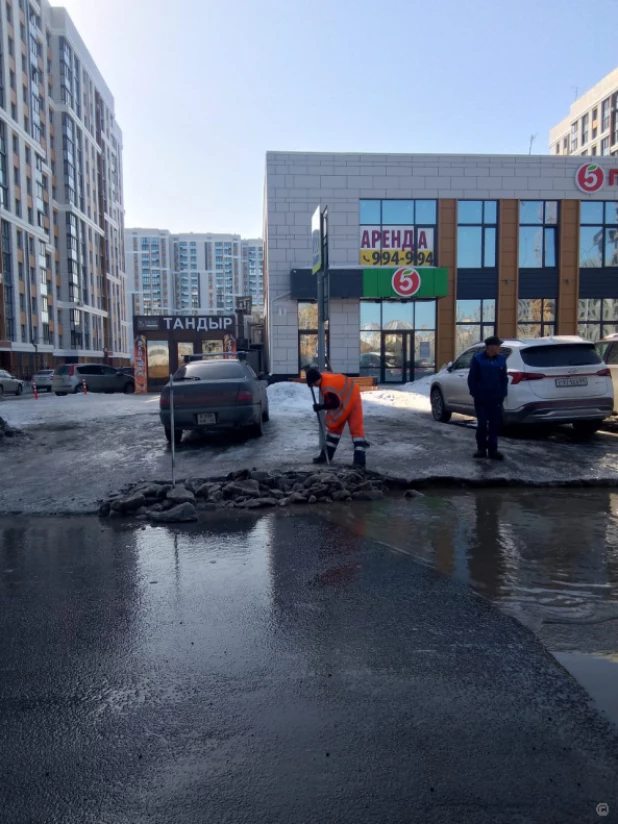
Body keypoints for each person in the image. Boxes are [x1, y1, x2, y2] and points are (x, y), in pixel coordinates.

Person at [305, 367, 368, 467]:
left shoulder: (327, 386)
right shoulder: (323, 378)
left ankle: (360, 461)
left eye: (313, 384)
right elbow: (330, 399)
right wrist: (322, 405)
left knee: (356, 429)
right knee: (334, 427)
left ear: (315, 380)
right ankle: (326, 456)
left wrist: (321, 406)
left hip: (352, 396)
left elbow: (334, 403)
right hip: (345, 395)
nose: (314, 386)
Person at [467, 335, 508, 461]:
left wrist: (502, 393)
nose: (499, 348)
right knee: (482, 424)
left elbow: (503, 378)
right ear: (490, 347)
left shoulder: (501, 359)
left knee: (495, 425)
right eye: (497, 346)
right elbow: (472, 378)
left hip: (496, 397)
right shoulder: (478, 359)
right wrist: (475, 393)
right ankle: (481, 449)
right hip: (481, 397)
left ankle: (493, 450)